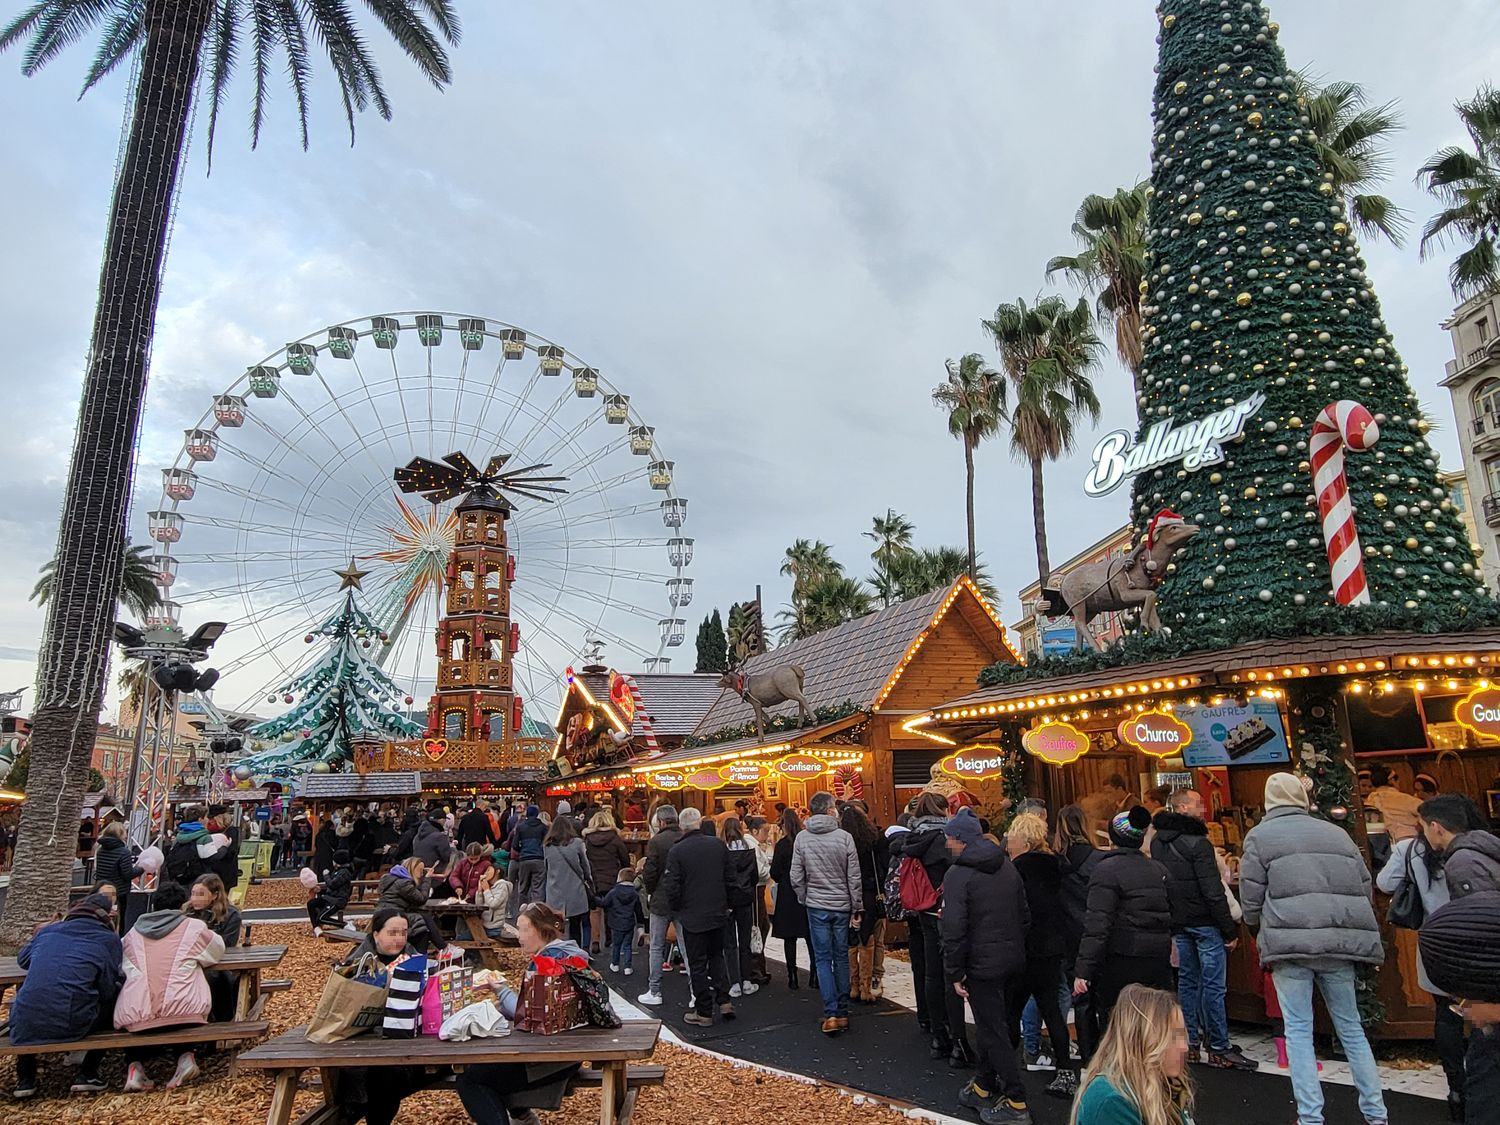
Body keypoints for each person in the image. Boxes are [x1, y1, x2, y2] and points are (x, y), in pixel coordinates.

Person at [1239, 772, 1387, 1125]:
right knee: (1351, 1028)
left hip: (1289, 946)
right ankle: (1375, 1113)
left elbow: (1250, 897)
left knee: (1299, 1031)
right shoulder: (1336, 833)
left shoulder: (1259, 837)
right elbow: (1363, 884)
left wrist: (1258, 927)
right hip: (1337, 945)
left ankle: (1310, 1117)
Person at [457, 903, 594, 1125]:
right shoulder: (570, 953)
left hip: (548, 1059)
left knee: (471, 1080)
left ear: (540, 930)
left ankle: (517, 1116)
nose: (517, 935)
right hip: (571, 1053)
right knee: (493, 1064)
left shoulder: (547, 963)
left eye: (522, 929)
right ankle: (523, 1115)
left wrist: (500, 990)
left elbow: (527, 1013)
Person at [1149, 788, 1255, 1071]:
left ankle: (1190, 1043)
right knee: (1213, 985)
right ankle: (1219, 1045)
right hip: (1205, 923)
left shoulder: (1159, 842)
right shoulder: (1199, 844)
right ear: (1182, 808)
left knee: (1187, 981)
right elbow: (1213, 891)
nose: (1203, 808)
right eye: (1197, 803)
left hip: (1179, 921)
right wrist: (1229, 929)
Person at [943, 807, 1031, 1125]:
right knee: (998, 1026)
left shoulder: (958, 875)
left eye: (950, 839)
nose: (947, 845)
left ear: (961, 841)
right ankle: (983, 1084)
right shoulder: (1006, 866)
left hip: (982, 965)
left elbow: (953, 928)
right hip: (1012, 959)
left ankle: (1017, 1100)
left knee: (993, 1031)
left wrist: (955, 971)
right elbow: (1024, 915)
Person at [1379, 807, 1464, 1119]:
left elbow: (1385, 883)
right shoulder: (1470, 850)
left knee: (1446, 1014)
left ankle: (1457, 1088)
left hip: (1433, 938)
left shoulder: (1407, 849)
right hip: (1473, 935)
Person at [9, 893, 123, 1098]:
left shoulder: (49, 932)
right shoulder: (106, 940)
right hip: (71, 1022)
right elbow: (107, 988)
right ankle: (88, 1072)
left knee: (27, 992)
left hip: (24, 1025)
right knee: (115, 994)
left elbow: (23, 961)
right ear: (108, 917)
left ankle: (25, 1078)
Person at [115, 880, 225, 1092]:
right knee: (179, 1010)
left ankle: (134, 1066)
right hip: (185, 1010)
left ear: (153, 904)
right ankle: (186, 1058)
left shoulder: (132, 935)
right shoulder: (193, 928)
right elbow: (217, 950)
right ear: (182, 904)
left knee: (143, 1016)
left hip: (137, 1013)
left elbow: (121, 966)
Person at [341, 908, 446, 1125]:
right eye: (392, 933)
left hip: (407, 1040)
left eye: (404, 932)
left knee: (391, 1073)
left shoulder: (414, 958)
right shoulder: (356, 963)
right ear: (376, 934)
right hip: (363, 1043)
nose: (399, 939)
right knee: (379, 1073)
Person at [1073, 807, 1172, 1031]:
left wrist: (1084, 970)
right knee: (1152, 1017)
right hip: (1157, 955)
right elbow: (1172, 911)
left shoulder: (1105, 871)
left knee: (1120, 1019)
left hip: (1121, 956)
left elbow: (1098, 924)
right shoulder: (1158, 869)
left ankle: (1125, 1063)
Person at [1006, 811, 1079, 1099]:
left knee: (1011, 1010)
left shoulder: (1016, 871)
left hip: (1025, 949)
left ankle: (1005, 1070)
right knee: (1053, 1012)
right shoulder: (1058, 867)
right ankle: (1065, 1072)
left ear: (1022, 841)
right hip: (1052, 949)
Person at [898, 790, 971, 1064]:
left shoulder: (913, 837)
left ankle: (937, 1034)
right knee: (950, 973)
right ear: (942, 810)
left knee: (931, 971)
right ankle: (957, 1040)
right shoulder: (944, 839)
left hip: (923, 908)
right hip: (945, 909)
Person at [790, 790, 862, 1036]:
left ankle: (831, 1010)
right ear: (831, 809)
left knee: (822, 958)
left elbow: (795, 876)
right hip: (841, 904)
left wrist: (804, 897)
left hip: (816, 904)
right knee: (841, 955)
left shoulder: (802, 838)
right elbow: (854, 876)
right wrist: (857, 905)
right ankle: (842, 1011)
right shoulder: (844, 837)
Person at [1070, 984, 1195, 1125]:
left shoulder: (1165, 1085)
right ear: (1142, 1040)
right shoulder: (1112, 1101)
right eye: (1172, 1037)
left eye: (1183, 1036)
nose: (1184, 1047)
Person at [660, 806, 735, 1026]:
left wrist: (676, 908)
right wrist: (728, 904)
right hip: (717, 910)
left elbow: (672, 885)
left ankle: (704, 1011)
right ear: (699, 823)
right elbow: (730, 877)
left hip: (692, 913)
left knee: (697, 963)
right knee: (716, 957)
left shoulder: (678, 851)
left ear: (682, 827)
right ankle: (725, 1000)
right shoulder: (718, 846)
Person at [1056, 804, 1103, 1063]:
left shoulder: (1055, 861)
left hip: (1067, 936)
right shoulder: (1098, 860)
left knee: (1080, 998)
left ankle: (1087, 1053)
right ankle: (1106, 1052)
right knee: (1104, 998)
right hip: (1095, 932)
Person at [637, 805, 690, 1007]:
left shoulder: (656, 841)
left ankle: (655, 990)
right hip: (683, 898)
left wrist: (650, 890)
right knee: (686, 946)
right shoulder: (685, 837)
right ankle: (695, 991)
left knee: (657, 946)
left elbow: (650, 872)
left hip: (661, 898)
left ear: (660, 822)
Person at [841, 802, 886, 1004]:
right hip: (870, 895)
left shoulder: (842, 842)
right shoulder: (873, 840)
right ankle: (867, 987)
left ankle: (853, 985)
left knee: (851, 941)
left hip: (848, 895)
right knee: (868, 940)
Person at [1422, 793, 1500, 898]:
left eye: (1424, 828)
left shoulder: (1461, 862)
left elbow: (1479, 909)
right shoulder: (1481, 845)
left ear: (1435, 827)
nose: (1424, 834)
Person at [771, 807, 814, 991]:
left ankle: (792, 976)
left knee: (790, 938)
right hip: (807, 890)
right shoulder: (807, 842)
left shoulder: (782, 845)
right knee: (811, 935)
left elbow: (774, 871)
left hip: (788, 892)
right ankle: (815, 975)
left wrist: (783, 877)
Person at [721, 815, 764, 997]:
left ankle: (734, 983)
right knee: (745, 940)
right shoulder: (748, 850)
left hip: (728, 900)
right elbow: (754, 877)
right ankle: (747, 980)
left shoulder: (722, 851)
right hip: (746, 898)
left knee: (730, 943)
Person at [583, 808, 632, 956]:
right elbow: (625, 858)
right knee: (612, 909)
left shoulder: (587, 839)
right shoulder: (615, 838)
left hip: (594, 878)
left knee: (594, 909)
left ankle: (595, 940)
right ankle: (610, 938)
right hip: (612, 877)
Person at [543, 814, 593, 946]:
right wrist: (588, 879)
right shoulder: (577, 843)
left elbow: (546, 868)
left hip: (555, 889)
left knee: (556, 925)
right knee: (576, 925)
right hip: (575, 888)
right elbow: (585, 866)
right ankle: (576, 954)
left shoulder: (547, 846)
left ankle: (558, 952)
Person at [377, 857, 436, 951]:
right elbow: (421, 899)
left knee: (422, 925)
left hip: (383, 913)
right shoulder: (404, 883)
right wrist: (427, 879)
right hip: (393, 915)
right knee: (423, 925)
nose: (421, 874)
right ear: (413, 870)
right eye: (420, 871)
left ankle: (438, 949)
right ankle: (439, 949)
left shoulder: (391, 879)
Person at [93, 820, 141, 933]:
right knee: (120, 918)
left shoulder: (100, 850)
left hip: (102, 887)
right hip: (120, 890)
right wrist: (141, 868)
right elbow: (127, 874)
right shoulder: (124, 852)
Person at [601, 867, 645, 975]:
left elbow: (604, 903)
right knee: (627, 945)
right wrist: (640, 925)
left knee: (616, 944)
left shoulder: (614, 892)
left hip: (616, 922)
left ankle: (615, 964)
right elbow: (638, 910)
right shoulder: (634, 893)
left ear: (620, 878)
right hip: (629, 922)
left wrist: (594, 899)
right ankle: (628, 967)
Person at [1366, 764, 1422, 842]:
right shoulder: (1405, 799)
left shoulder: (1368, 802)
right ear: (1392, 780)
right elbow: (1429, 811)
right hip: (1410, 842)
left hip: (1380, 846)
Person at [510, 804, 548, 911]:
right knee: (538, 888)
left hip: (524, 859)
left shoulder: (521, 827)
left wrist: (522, 850)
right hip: (539, 859)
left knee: (523, 888)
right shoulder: (543, 827)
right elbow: (547, 843)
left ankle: (522, 912)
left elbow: (515, 845)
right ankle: (537, 912)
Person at [308, 848, 356, 933]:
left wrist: (326, 875)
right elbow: (332, 886)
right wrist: (321, 889)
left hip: (337, 900)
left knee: (321, 917)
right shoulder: (337, 871)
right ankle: (316, 928)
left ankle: (344, 924)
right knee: (311, 903)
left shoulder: (344, 872)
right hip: (329, 898)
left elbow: (333, 884)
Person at [1080, 775, 1132, 843]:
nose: (1107, 796)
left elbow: (1127, 828)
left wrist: (1100, 824)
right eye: (1106, 793)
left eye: (1109, 792)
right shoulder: (1114, 805)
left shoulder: (1133, 804)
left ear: (1119, 789)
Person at [204, 803, 241, 892]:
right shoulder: (207, 831)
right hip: (210, 869)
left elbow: (232, 851)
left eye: (212, 818)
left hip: (225, 870)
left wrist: (221, 850)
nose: (210, 821)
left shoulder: (231, 830)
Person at [477, 865, 517, 942]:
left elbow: (493, 904)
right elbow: (479, 905)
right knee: (463, 936)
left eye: (489, 870)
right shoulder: (490, 887)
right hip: (484, 925)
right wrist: (479, 891)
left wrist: (486, 890)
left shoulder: (502, 886)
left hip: (494, 928)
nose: (486, 873)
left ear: (497, 871)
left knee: (463, 938)